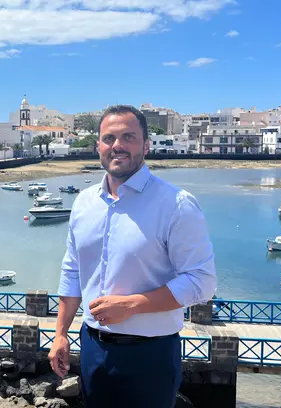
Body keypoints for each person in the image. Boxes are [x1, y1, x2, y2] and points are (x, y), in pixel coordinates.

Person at [48, 105, 216, 408]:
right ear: (98, 145)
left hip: (150, 354)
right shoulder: (84, 203)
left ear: (146, 145)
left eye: (129, 137)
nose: (118, 146)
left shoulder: (176, 205)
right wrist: (60, 333)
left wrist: (132, 306)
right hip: (92, 348)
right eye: (109, 138)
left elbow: (202, 281)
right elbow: (73, 270)